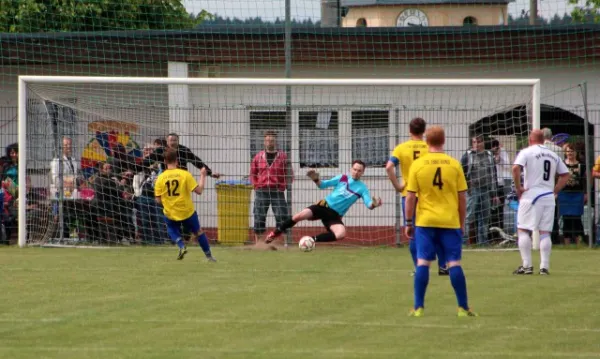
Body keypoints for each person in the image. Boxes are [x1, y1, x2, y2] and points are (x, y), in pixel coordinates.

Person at [404, 126, 476, 317]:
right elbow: (462, 197)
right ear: (444, 141)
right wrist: (461, 222)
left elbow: (410, 197)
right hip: (449, 221)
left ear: (426, 141)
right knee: (454, 263)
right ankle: (463, 307)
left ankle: (418, 307)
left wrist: (408, 222)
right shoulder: (453, 164)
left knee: (423, 263)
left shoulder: (418, 165)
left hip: (425, 222)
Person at [385, 117, 447, 275]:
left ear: (410, 131)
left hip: (409, 195)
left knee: (412, 231)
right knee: (438, 230)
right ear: (424, 131)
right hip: (429, 195)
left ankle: (418, 267)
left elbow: (389, 167)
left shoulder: (401, 148)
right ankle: (443, 265)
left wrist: (398, 186)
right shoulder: (430, 147)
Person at [265, 160, 382, 244]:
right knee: (298, 216)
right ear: (351, 169)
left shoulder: (362, 188)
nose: (356, 172)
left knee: (341, 234)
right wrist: (316, 179)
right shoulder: (342, 178)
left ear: (363, 172)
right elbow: (322, 185)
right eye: (355, 169)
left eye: (359, 171)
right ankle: (275, 233)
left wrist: (374, 204)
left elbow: (368, 204)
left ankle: (311, 240)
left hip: (335, 215)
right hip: (323, 206)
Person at [512, 129, 569, 275]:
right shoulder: (553, 154)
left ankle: (527, 265)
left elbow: (515, 168)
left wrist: (518, 188)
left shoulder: (527, 152)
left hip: (531, 195)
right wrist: (555, 190)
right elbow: (565, 174)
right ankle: (544, 267)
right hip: (548, 197)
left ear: (530, 140)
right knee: (545, 233)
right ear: (543, 140)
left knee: (523, 229)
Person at [154, 148, 216, 262]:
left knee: (171, 228)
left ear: (164, 162)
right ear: (177, 160)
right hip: (187, 211)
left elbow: (158, 200)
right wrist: (203, 175)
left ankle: (181, 245)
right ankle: (209, 256)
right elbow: (199, 191)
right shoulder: (185, 174)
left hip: (171, 212)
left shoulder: (160, 178)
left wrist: (168, 202)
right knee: (198, 232)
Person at [250, 130, 293, 243]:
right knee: (259, 216)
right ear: (264, 142)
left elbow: (289, 174)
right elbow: (253, 173)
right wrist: (255, 185)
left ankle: (282, 244)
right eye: (268, 140)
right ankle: (258, 244)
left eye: (272, 140)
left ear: (276, 142)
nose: (270, 142)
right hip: (261, 191)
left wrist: (283, 186)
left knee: (282, 216)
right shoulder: (258, 157)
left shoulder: (283, 157)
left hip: (277, 191)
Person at [461, 135, 499, 245]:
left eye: (479, 142)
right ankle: (465, 241)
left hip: (486, 189)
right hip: (473, 190)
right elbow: (461, 172)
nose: (476, 145)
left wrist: (494, 193)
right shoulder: (467, 156)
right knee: (469, 216)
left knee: (485, 216)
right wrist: (466, 186)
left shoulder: (489, 155)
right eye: (474, 142)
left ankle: (483, 241)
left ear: (483, 143)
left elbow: (493, 174)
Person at [145, 133, 221, 178]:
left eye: (175, 140)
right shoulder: (160, 151)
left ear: (178, 141)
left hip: (182, 178)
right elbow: (148, 160)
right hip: (167, 178)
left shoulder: (184, 150)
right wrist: (135, 167)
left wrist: (210, 173)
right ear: (167, 142)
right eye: (171, 140)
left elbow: (197, 161)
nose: (173, 142)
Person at [557, 143, 587, 245]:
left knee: (577, 218)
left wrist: (585, 193)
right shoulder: (561, 164)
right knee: (566, 219)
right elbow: (558, 178)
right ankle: (567, 243)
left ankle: (579, 242)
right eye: (568, 151)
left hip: (577, 195)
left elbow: (585, 181)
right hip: (564, 195)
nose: (570, 153)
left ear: (576, 153)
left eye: (572, 151)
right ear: (565, 152)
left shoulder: (581, 165)